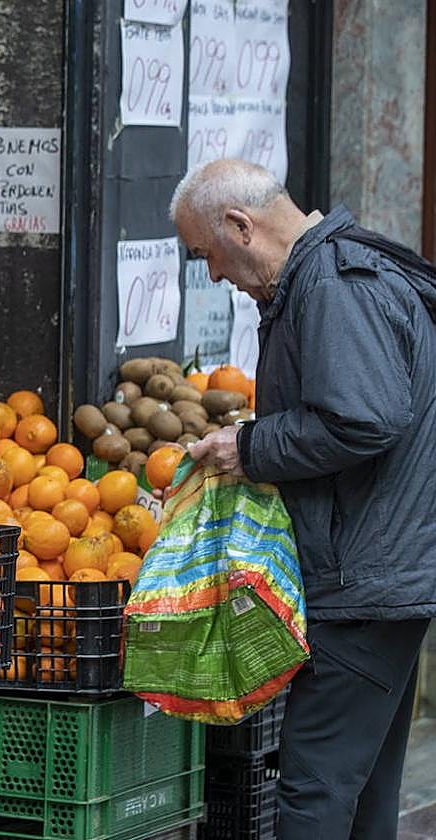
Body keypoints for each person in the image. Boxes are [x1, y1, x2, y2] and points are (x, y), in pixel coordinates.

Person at [170, 158, 436, 839]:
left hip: (362, 579)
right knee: (361, 788)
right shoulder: (332, 273)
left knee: (315, 787)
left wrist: (250, 446)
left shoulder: (335, 285)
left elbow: (364, 419)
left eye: (206, 254)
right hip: (378, 572)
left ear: (241, 226)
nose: (214, 275)